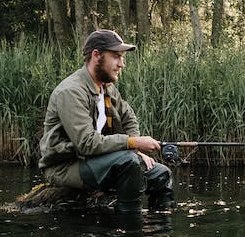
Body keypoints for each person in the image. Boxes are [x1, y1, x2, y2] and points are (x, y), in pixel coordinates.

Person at [38, 29, 176, 214]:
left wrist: (134, 148)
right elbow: (86, 143)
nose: (122, 64)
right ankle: (130, 228)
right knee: (129, 163)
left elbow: (129, 117)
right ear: (96, 55)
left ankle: (162, 234)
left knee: (161, 174)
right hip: (65, 167)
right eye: (116, 57)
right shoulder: (71, 91)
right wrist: (132, 143)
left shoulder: (106, 88)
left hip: (98, 161)